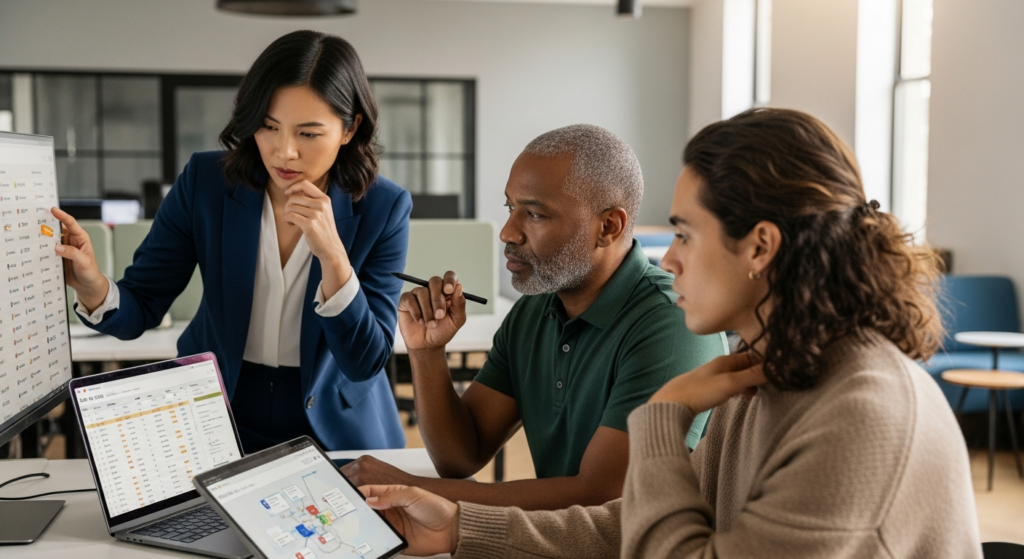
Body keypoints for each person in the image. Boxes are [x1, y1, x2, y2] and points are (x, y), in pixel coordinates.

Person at [356, 108, 983, 558]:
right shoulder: (769, 374)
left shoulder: (859, 414)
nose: (670, 258)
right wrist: (461, 528)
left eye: (684, 234)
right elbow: (634, 522)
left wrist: (662, 418)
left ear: (760, 246)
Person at [52, 30, 410, 454]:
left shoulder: (383, 207)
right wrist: (93, 286)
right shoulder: (207, 183)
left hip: (336, 425)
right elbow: (142, 305)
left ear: (350, 129)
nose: (284, 152)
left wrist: (334, 258)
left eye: (308, 134)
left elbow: (365, 361)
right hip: (219, 411)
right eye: (268, 126)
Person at [343, 124, 728, 510]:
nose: (508, 232)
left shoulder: (672, 324)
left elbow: (604, 499)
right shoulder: (535, 309)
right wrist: (427, 354)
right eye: (511, 208)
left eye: (535, 214)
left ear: (608, 226)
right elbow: (462, 454)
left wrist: (410, 488)